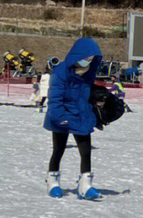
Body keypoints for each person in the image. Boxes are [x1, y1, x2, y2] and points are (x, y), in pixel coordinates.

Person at [44, 38, 103, 199]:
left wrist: (96, 114)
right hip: (62, 116)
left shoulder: (88, 74)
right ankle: (52, 181)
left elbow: (87, 98)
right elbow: (55, 98)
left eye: (90, 61)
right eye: (85, 60)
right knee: (59, 149)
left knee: (85, 151)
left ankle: (85, 184)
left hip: (79, 115)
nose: (87, 64)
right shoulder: (60, 72)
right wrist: (60, 117)